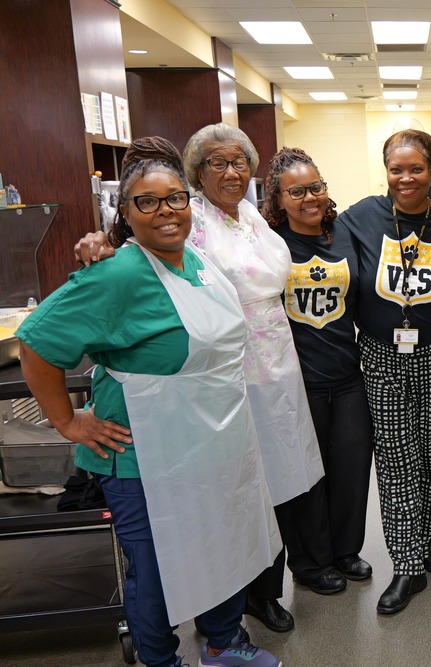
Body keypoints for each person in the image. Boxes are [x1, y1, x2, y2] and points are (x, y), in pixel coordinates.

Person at [16, 137, 281, 667]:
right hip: (143, 454)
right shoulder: (117, 274)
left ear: (190, 203)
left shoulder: (199, 262)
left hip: (215, 441)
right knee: (155, 568)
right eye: (147, 201)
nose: (166, 211)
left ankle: (224, 642)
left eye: (175, 198)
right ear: (125, 212)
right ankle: (161, 661)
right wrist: (67, 421)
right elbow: (36, 342)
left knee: (224, 541)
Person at [75, 123, 334, 634]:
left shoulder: (253, 216)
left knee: (281, 479)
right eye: (218, 163)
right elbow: (145, 247)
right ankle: (244, 601)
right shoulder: (190, 221)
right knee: (238, 488)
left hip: (277, 362)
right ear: (197, 173)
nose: (232, 172)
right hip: (224, 371)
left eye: (240, 161)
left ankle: (272, 584)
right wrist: (101, 242)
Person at [337, 129, 431, 614]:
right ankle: (407, 564)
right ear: (386, 171)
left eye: (416, 168)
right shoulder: (361, 216)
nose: (406, 178)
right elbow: (304, 234)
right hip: (380, 355)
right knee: (397, 462)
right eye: (397, 169)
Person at [261, 146, 374, 583]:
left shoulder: (346, 232)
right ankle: (311, 563)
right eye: (297, 191)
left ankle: (346, 551)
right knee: (305, 477)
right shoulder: (268, 243)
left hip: (347, 377)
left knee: (349, 469)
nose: (310, 198)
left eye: (317, 187)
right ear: (278, 198)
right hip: (295, 382)